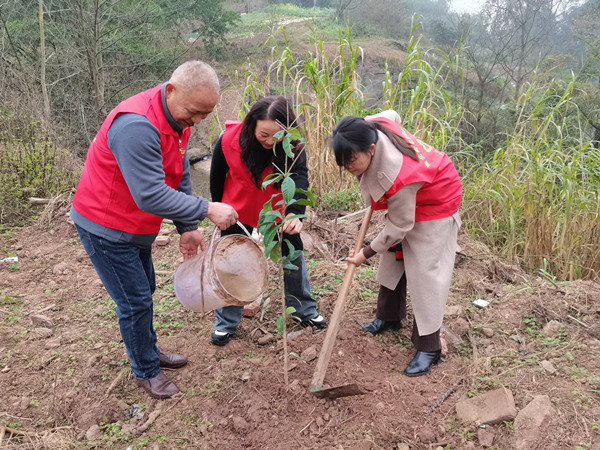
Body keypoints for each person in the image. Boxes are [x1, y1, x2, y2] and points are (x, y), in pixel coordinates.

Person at [70, 61, 239, 399]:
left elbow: (178, 173)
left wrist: (187, 226)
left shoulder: (177, 119)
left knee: (144, 289)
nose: (197, 121)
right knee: (134, 301)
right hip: (105, 226)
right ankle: (145, 368)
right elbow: (149, 194)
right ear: (172, 89)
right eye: (194, 112)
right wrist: (206, 209)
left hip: (135, 226)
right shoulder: (136, 126)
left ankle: (148, 350)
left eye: (205, 115)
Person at [331, 110, 462, 377]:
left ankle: (429, 346)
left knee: (425, 271)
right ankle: (389, 317)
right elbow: (393, 113)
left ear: (370, 148)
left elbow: (399, 227)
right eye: (344, 164)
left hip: (437, 200)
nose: (350, 169)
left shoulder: (398, 177)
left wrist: (364, 253)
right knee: (393, 257)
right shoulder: (369, 126)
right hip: (414, 193)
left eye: (352, 160)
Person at [208, 95, 327, 346]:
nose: (270, 141)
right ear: (251, 124)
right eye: (264, 134)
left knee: (292, 255)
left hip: (277, 211)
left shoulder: (293, 145)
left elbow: (299, 176)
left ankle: (304, 309)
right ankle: (226, 322)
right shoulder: (229, 140)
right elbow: (217, 178)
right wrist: (217, 211)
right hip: (236, 211)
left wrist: (295, 211)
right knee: (232, 263)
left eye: (278, 135)